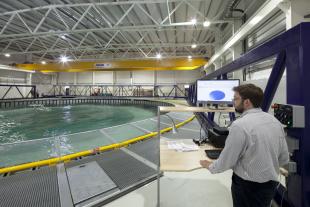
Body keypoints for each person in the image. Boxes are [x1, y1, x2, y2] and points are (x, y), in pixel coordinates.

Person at [200, 83, 289, 207]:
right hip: (270, 185)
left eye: (236, 99)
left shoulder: (240, 125)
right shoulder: (275, 122)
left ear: (247, 102)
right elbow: (284, 157)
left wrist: (210, 166)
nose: (233, 102)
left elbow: (227, 160)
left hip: (247, 187)